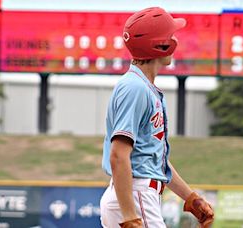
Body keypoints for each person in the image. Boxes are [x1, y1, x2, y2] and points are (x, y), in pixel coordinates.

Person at [100, 7, 214, 228]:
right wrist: (130, 216)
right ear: (159, 44)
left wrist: (190, 198)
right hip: (136, 193)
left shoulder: (142, 87)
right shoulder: (135, 88)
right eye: (170, 36)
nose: (175, 40)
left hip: (135, 192)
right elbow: (118, 156)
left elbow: (153, 159)